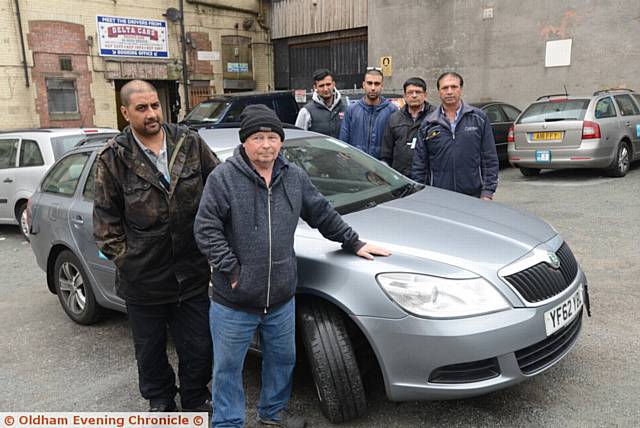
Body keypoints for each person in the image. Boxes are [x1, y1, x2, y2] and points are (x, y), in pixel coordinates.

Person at [193, 104, 390, 428]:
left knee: (283, 361)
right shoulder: (224, 179)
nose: (266, 144)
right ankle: (228, 422)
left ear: (281, 141)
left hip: (282, 298)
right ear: (246, 142)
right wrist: (232, 270)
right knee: (228, 368)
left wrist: (353, 242)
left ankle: (272, 415)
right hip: (235, 301)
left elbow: (322, 213)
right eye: (258, 137)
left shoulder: (293, 177)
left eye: (272, 137)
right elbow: (206, 228)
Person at [93, 79, 220, 412]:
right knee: (149, 351)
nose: (151, 114)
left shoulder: (189, 142)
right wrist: (131, 261)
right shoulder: (113, 158)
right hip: (143, 280)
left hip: (191, 273)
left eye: (155, 106)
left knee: (199, 346)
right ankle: (161, 400)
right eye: (141, 108)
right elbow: (105, 224)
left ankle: (195, 395)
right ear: (125, 112)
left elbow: (220, 190)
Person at [411, 72, 499, 199]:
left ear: (461, 89)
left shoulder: (478, 118)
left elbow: (489, 158)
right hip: (439, 195)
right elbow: (419, 164)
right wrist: (421, 195)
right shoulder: (428, 123)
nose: (449, 91)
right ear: (439, 91)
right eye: (445, 88)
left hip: (474, 194)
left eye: (454, 87)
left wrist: (487, 192)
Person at [380, 77, 435, 176]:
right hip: (401, 177)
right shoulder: (394, 118)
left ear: (425, 95)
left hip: (428, 177)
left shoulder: (435, 117)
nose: (414, 96)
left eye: (418, 92)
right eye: (410, 92)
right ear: (405, 96)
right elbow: (386, 152)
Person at [339, 68, 398, 159]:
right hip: (357, 165)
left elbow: (396, 143)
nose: (373, 88)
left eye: (377, 84)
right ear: (364, 85)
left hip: (382, 167)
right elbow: (343, 143)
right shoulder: (352, 110)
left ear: (382, 86)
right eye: (369, 83)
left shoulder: (392, 110)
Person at [294, 68, 347, 138]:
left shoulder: (346, 108)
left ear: (333, 84)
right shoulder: (306, 112)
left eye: (328, 84)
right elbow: (298, 138)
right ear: (315, 87)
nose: (325, 89)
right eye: (321, 86)